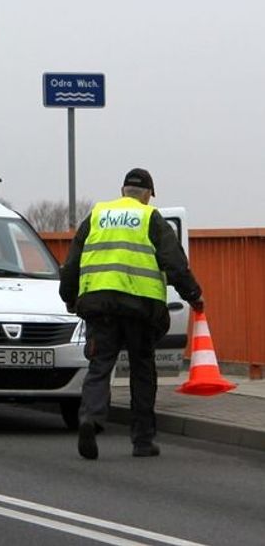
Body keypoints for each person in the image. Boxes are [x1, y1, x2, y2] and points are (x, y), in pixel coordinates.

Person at [59, 168, 204, 460]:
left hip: (100, 306)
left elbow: (73, 261)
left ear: (122, 190)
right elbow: (174, 262)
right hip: (140, 308)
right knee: (141, 371)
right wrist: (194, 295)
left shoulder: (97, 215)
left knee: (100, 366)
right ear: (148, 194)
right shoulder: (150, 218)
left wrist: (69, 297)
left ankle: (90, 419)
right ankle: (142, 441)